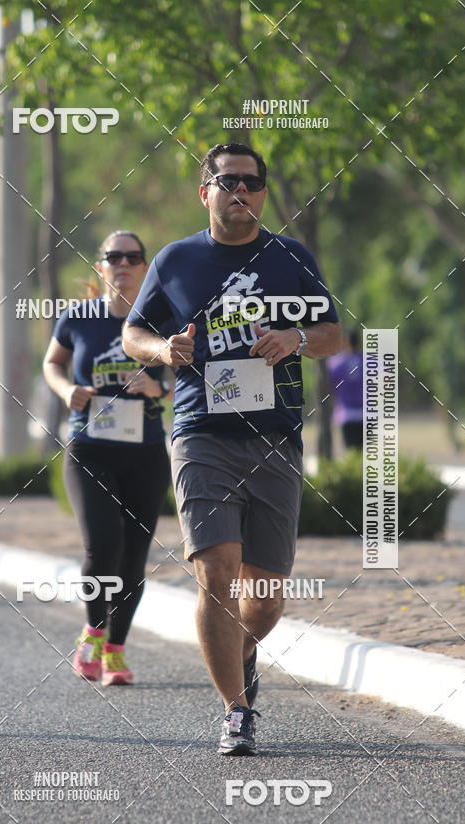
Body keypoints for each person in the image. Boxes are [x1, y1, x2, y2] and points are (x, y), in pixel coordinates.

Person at [123, 143, 342, 755]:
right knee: (216, 571)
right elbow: (133, 332)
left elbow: (332, 334)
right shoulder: (176, 260)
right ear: (206, 192)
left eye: (251, 182)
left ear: (263, 193)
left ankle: (240, 653)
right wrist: (165, 351)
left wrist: (294, 337)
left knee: (265, 598)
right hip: (200, 434)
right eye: (227, 181)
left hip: (275, 436)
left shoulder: (291, 258)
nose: (239, 191)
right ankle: (236, 712)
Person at [43, 231, 171, 686]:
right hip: (89, 447)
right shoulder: (78, 317)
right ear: (101, 267)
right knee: (103, 545)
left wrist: (160, 388)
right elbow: (53, 363)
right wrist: (66, 390)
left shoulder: (162, 318)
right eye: (113, 256)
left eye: (133, 257)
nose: (123, 263)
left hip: (145, 450)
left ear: (144, 267)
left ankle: (115, 650)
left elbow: (188, 371)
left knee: (134, 556)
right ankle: (94, 631)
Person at [327, 328, 364, 449]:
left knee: (351, 453)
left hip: (346, 414)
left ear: (346, 342)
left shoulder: (336, 363)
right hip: (367, 413)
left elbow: (330, 387)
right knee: (367, 455)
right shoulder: (370, 361)